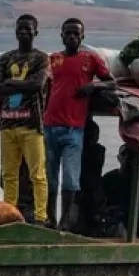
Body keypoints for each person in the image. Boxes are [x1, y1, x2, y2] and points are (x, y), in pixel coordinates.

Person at [43, 18, 115, 229]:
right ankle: (49, 218)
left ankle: (65, 220)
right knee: (49, 176)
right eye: (68, 33)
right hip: (50, 124)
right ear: (62, 36)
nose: (72, 37)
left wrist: (93, 86)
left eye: (76, 33)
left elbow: (111, 82)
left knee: (70, 177)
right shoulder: (54, 59)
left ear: (82, 37)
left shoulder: (90, 59)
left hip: (74, 127)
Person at [0, 14, 50, 225]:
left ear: (35, 32)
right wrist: (21, 85)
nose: (23, 32)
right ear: (15, 32)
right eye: (20, 29)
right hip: (7, 124)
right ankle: (9, 214)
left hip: (31, 125)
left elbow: (37, 85)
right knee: (9, 174)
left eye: (28, 29)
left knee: (38, 175)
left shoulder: (41, 58)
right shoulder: (6, 58)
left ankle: (41, 217)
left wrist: (11, 83)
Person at [77, 119, 107, 232]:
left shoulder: (98, 150)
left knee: (92, 216)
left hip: (92, 187)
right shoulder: (80, 150)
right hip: (83, 186)